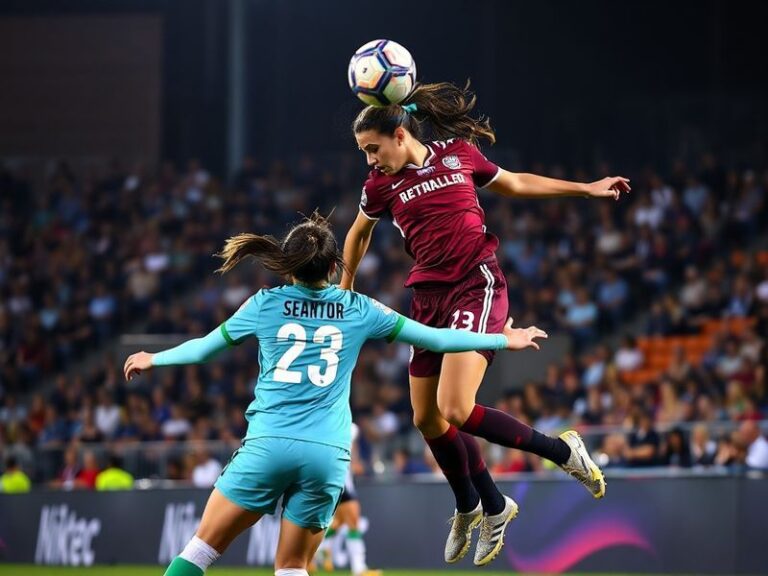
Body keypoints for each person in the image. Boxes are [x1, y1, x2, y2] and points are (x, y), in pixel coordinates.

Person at [123, 214, 546, 576]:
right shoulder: (358, 307)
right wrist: (501, 339)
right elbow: (434, 336)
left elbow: (203, 349)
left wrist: (153, 359)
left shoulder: (264, 303)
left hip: (269, 444)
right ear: (333, 265)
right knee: (292, 567)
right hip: (326, 455)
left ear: (289, 264)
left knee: (201, 549)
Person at [341, 82, 627, 565]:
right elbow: (357, 234)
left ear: (399, 133)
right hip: (428, 298)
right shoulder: (379, 187)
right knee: (425, 418)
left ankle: (563, 451)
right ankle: (482, 505)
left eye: (374, 148)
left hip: (476, 285)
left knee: (454, 406)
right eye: (364, 153)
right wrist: (345, 290)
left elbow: (516, 182)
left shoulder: (458, 155)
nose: (370, 160)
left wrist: (585, 189)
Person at [314, 423, 379, 576]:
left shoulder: (329, 425)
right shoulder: (350, 427)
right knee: (353, 521)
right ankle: (359, 569)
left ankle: (321, 549)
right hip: (340, 478)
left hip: (333, 477)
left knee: (340, 521)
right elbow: (349, 454)